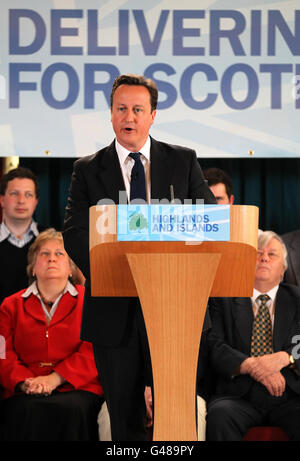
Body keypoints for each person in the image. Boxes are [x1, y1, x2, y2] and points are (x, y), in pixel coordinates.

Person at [63, 73, 216, 441]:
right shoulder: (88, 169)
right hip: (114, 313)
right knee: (125, 422)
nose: (128, 117)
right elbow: (74, 232)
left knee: (176, 418)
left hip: (175, 307)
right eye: (120, 109)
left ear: (152, 115)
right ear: (111, 115)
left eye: (137, 109)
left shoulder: (182, 161)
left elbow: (209, 220)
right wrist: (118, 271)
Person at [0, 229, 104, 441]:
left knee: (72, 409)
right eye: (44, 254)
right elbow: (3, 354)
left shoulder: (90, 301)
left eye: (60, 254)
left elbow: (94, 352)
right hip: (25, 391)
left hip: (78, 390)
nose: (51, 259)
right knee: (23, 410)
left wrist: (54, 380)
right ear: (33, 267)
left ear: (71, 268)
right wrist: (26, 382)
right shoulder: (9, 306)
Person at [206, 230, 300, 441]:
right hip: (239, 396)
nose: (264, 257)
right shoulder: (225, 299)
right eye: (258, 253)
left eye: (272, 254)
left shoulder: (297, 299)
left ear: (283, 270)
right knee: (219, 416)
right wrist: (252, 366)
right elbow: (214, 345)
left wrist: (286, 357)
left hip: (290, 395)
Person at [0, 167, 43, 304]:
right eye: (14, 193)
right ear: (2, 200)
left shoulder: (53, 243)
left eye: (28, 195)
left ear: (35, 202)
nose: (21, 200)